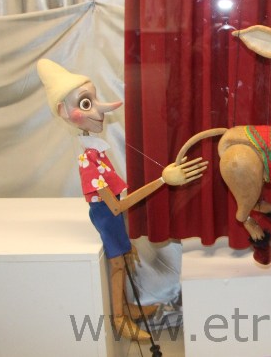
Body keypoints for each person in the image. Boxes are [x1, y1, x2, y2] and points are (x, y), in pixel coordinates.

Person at [37, 59, 207, 340]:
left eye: (94, 100)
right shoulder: (88, 161)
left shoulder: (96, 151)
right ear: (63, 111)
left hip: (111, 214)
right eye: (86, 104)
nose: (99, 111)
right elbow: (116, 206)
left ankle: (128, 306)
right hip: (107, 216)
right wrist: (162, 180)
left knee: (126, 256)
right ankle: (119, 319)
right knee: (117, 264)